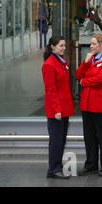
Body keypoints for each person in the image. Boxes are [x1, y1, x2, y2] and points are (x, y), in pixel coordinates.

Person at [76, 34, 102, 176]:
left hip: (101, 105)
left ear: (101, 45)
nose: (91, 46)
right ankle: (91, 165)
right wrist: (85, 63)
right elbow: (78, 74)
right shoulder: (90, 59)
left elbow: (100, 79)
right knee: (89, 136)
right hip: (87, 104)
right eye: (90, 44)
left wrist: (84, 82)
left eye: (93, 44)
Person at [41, 35, 75, 179]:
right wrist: (57, 109)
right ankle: (53, 169)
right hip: (57, 110)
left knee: (61, 139)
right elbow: (50, 90)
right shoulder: (49, 65)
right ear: (53, 47)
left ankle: (56, 167)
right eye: (61, 45)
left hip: (64, 107)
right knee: (56, 140)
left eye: (64, 45)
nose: (64, 48)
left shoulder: (62, 62)